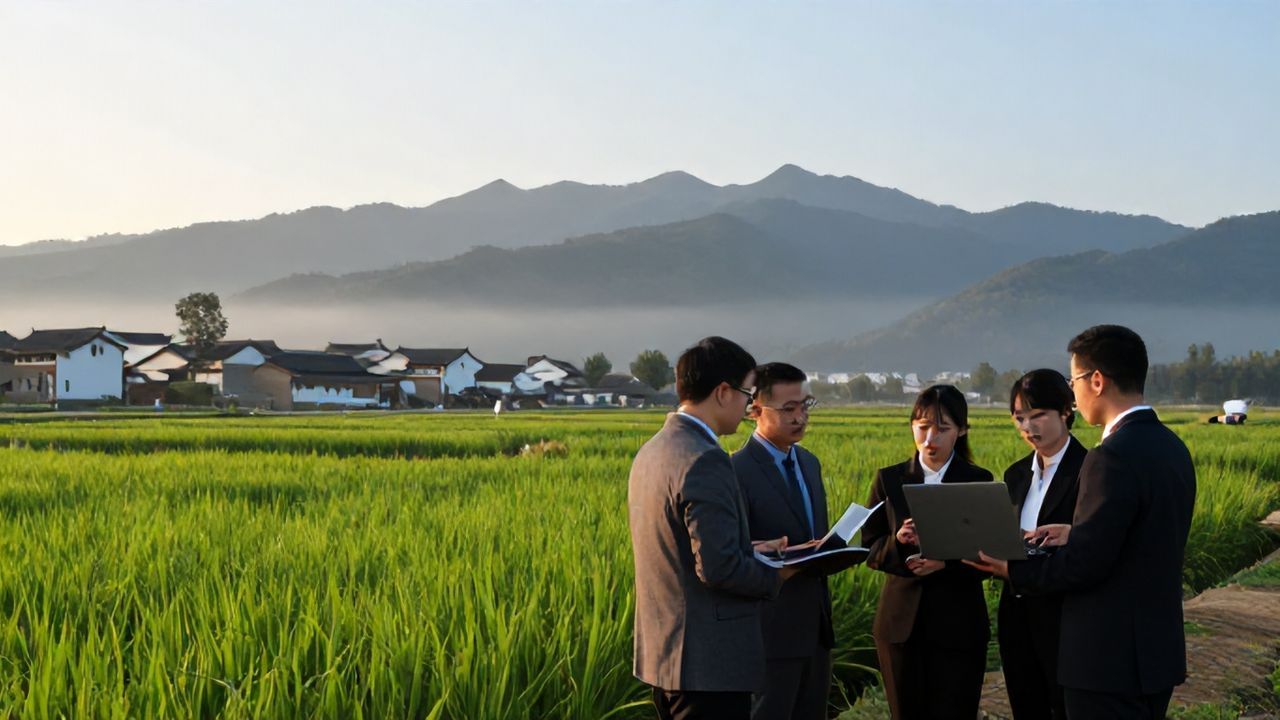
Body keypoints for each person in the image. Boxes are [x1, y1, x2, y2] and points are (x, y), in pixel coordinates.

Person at [968, 325, 1197, 719]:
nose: (1072, 392)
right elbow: (1143, 537)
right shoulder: (1171, 448)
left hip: (1107, 661)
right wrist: (1077, 532)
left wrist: (1013, 569)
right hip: (1154, 655)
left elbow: (1085, 565)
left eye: (1074, 380)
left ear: (1096, 381)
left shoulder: (1108, 457)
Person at [629, 336, 799, 720]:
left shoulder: (654, 450)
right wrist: (784, 572)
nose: (750, 406)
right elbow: (719, 568)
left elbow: (682, 549)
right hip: (709, 666)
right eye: (747, 394)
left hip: (666, 658)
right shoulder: (705, 460)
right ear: (723, 392)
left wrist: (750, 548)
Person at [862, 384, 994, 720]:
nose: (930, 438)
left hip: (959, 625)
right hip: (899, 625)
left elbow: (990, 553)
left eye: (942, 429)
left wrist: (944, 564)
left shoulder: (976, 480)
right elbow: (870, 548)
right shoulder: (890, 479)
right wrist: (899, 543)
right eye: (922, 427)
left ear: (961, 431)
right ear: (912, 426)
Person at [731, 363, 839, 720]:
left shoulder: (809, 463)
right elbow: (731, 554)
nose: (800, 417)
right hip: (768, 632)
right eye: (788, 409)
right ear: (754, 411)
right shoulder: (735, 471)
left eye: (805, 405)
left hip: (816, 630)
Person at [998, 370, 1087, 720]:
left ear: (1066, 411)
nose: (1028, 428)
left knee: (1067, 708)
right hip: (1016, 612)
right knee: (1026, 705)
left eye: (1038, 416)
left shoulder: (1089, 469)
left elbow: (1092, 542)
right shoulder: (1016, 474)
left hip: (1065, 617)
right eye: (1020, 418)